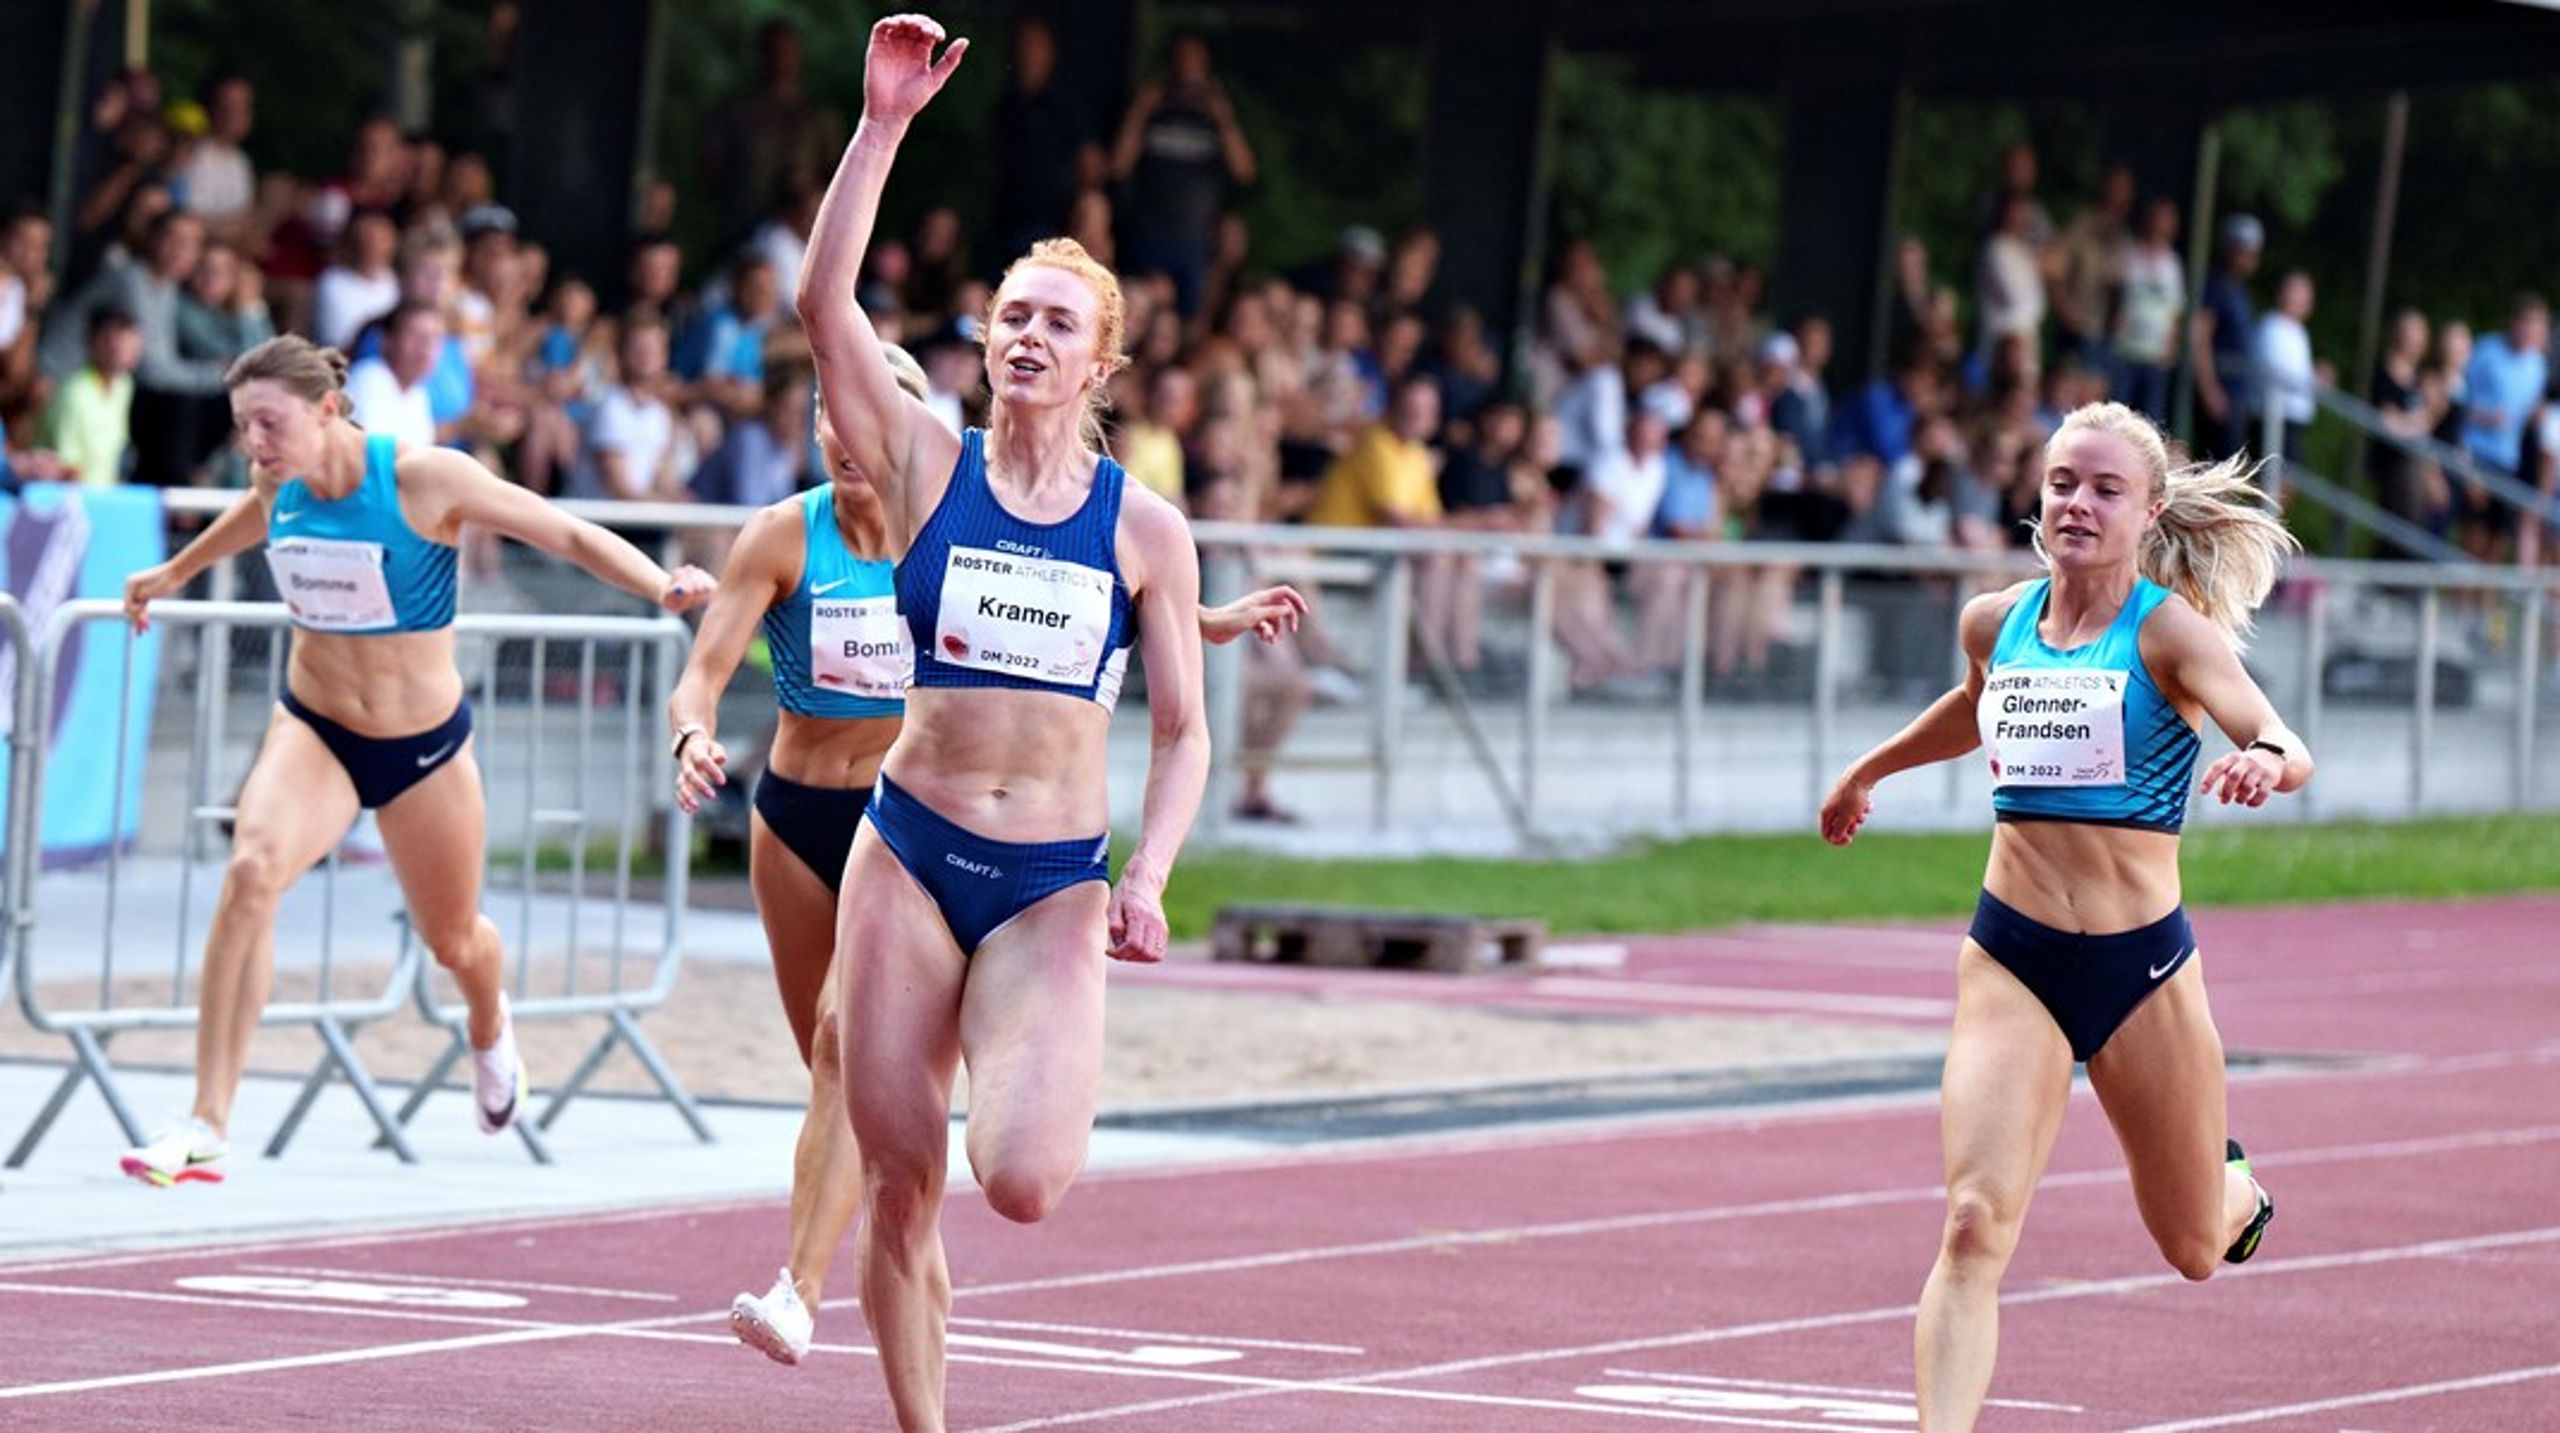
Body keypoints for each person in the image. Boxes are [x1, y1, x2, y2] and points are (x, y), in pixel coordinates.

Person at [670, 345, 1300, 1366]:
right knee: (860, 1101)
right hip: (797, 822)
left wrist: (1200, 619)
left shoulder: (952, 520)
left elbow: (1059, 604)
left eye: (861, 416)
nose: (842, 435)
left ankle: (799, 1288)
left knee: (843, 1043)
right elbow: (701, 673)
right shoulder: (785, 535)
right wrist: (689, 733)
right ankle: (906, 1266)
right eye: (828, 415)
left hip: (910, 828)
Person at [797, 17, 1219, 1426]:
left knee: (1024, 1178)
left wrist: (1149, 873)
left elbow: (1183, 733)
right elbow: (824, 310)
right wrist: (883, 126)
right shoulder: (925, 462)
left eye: (1057, 321)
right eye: (1012, 313)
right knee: (902, 1182)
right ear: (983, 341)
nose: (1027, 334)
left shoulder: (1144, 528)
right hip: (908, 851)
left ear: (1102, 362)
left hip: (1049, 883)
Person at [114, 334, 715, 1186]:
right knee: (251, 871)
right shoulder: (275, 476)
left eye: (269, 422)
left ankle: (487, 1022)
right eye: (244, 424)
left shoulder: (423, 479)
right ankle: (206, 1117)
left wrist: (661, 585)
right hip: (315, 727)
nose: (255, 442)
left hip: (422, 747)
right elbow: (256, 514)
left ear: (327, 409)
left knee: (454, 940)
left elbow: (564, 532)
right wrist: (173, 571)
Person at [1819, 401, 2310, 1430]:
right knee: (1969, 1224)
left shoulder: (2169, 633)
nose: (2076, 504)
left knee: (2190, 1247)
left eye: (2102, 489)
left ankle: (2236, 1191)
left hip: (2142, 971)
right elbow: (1973, 701)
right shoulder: (1993, 620)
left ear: (2148, 510)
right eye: (2060, 483)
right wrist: (1870, 768)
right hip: (2013, 955)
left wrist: (2265, 762)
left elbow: (2275, 731)